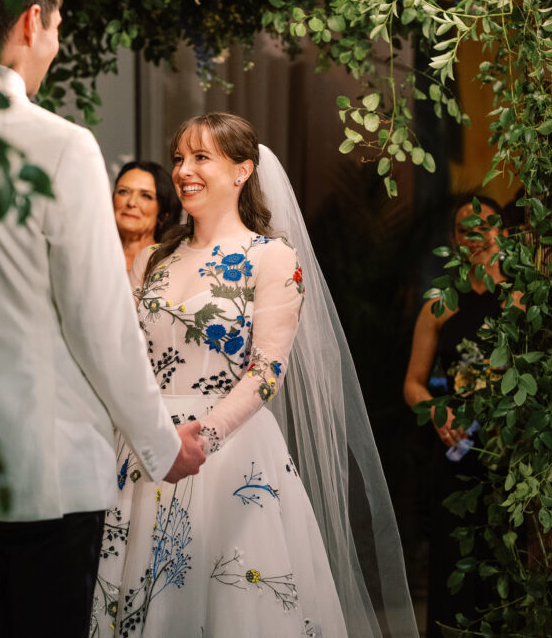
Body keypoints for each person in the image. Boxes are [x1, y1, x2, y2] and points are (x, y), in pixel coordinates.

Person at [0, 0, 205, 638]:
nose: (56, 47)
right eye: (58, 27)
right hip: (44, 471)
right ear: (33, 20)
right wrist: (156, 439)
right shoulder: (60, 146)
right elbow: (99, 320)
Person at [91, 113, 418, 637]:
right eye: (179, 158)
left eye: (201, 157)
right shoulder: (151, 260)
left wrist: (202, 439)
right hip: (147, 448)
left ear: (243, 170)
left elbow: (267, 372)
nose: (184, 170)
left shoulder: (271, 258)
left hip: (227, 453)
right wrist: (148, 435)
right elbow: (124, 357)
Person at [403, 195, 507, 638]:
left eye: (487, 226)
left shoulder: (523, 297)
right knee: (454, 569)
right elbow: (412, 383)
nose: (478, 236)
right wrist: (437, 411)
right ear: (454, 240)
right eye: (467, 229)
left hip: (510, 457)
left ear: (502, 232)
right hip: (456, 450)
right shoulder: (439, 305)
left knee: (504, 570)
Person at [113, 161, 182, 271]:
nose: (131, 202)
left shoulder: (172, 265)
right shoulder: (91, 255)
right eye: (123, 191)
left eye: (146, 196)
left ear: (164, 213)